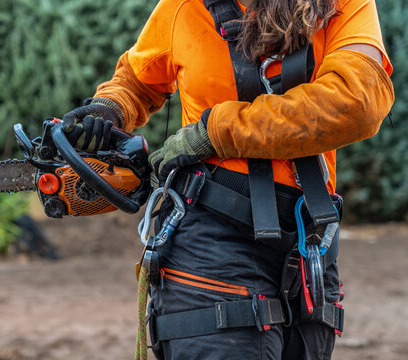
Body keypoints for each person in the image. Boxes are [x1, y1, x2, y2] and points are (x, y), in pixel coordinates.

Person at [62, 0, 394, 359]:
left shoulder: (341, 5)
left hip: (309, 250)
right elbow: (136, 78)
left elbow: (356, 101)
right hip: (211, 240)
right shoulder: (185, 7)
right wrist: (111, 107)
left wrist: (217, 133)